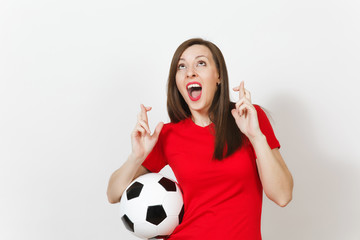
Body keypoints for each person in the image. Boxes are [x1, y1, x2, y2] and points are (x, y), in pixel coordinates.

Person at [107, 38, 293, 239]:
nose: (190, 72)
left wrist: (256, 136)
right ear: (176, 81)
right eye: (182, 66)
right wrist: (136, 156)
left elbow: (282, 195)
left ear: (218, 76)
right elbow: (113, 194)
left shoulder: (248, 118)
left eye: (201, 63)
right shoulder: (169, 135)